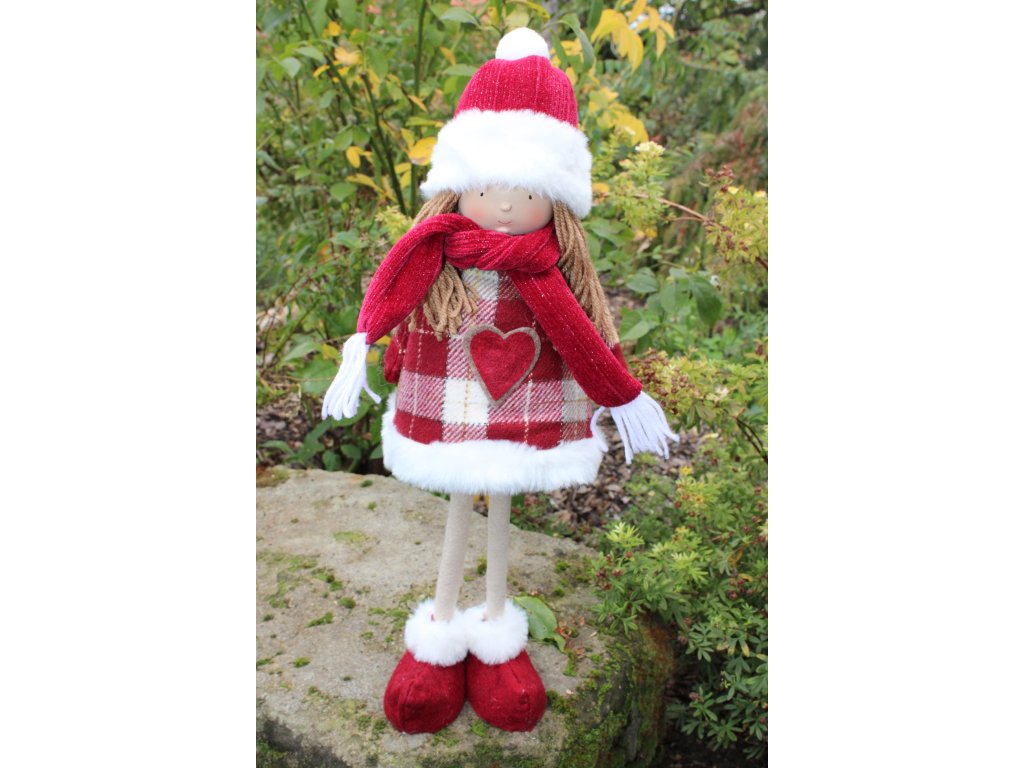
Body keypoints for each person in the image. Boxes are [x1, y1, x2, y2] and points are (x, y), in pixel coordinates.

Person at [321, 27, 677, 734]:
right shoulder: (437, 251)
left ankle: (494, 632)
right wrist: (373, 344)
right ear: (460, 185)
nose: (507, 206)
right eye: (488, 187)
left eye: (528, 191)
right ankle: (438, 629)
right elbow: (398, 298)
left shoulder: (552, 268)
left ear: (557, 198)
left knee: (503, 506)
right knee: (460, 498)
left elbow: (583, 332)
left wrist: (622, 390)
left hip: (527, 401)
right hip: (449, 396)